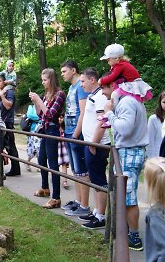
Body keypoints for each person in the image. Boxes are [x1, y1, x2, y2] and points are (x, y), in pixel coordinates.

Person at [101, 72, 149, 251]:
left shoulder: (127, 102)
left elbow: (125, 128)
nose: (103, 93)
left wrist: (110, 113)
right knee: (125, 195)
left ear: (114, 86)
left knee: (129, 198)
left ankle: (134, 237)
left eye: (105, 87)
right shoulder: (131, 100)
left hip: (130, 152)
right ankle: (127, 230)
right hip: (129, 151)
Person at [77, 68, 111, 229]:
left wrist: (94, 143)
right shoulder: (94, 96)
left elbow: (102, 122)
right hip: (91, 143)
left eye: (83, 81)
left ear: (92, 80)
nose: (81, 84)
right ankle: (97, 211)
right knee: (95, 178)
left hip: (97, 145)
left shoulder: (100, 97)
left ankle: (101, 216)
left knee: (99, 180)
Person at [29, 68, 66, 209]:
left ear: (51, 79)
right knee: (41, 159)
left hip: (53, 130)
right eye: (42, 80)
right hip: (45, 130)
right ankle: (45, 188)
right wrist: (36, 102)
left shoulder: (59, 94)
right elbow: (40, 114)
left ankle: (56, 197)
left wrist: (39, 100)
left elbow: (50, 115)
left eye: (45, 80)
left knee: (53, 164)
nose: (43, 82)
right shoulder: (46, 95)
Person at [60, 60, 91, 217]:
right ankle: (79, 202)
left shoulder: (81, 86)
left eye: (64, 71)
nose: (62, 74)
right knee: (76, 170)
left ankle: (85, 205)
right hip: (69, 132)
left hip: (76, 134)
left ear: (73, 70)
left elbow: (83, 112)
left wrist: (76, 135)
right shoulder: (72, 87)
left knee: (82, 171)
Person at [97, 43, 153, 128]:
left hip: (131, 84)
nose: (108, 62)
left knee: (115, 95)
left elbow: (112, 76)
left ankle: (111, 115)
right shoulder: (121, 64)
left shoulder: (120, 65)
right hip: (128, 83)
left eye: (108, 60)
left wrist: (101, 81)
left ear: (116, 58)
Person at [0, 74, 21, 176]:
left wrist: (1, 96)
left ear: (5, 81)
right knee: (0, 145)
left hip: (7, 123)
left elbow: (8, 106)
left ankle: (15, 169)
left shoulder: (8, 92)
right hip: (2, 123)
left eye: (0, 81)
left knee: (10, 146)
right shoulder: (2, 92)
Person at [146, 90, 165, 158]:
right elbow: (150, 141)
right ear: (160, 103)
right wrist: (152, 159)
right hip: (158, 155)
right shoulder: (153, 119)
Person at [25, 104, 42, 172]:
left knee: (39, 148)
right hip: (33, 130)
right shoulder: (31, 107)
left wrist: (38, 118)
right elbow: (29, 115)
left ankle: (39, 165)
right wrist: (39, 118)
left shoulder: (43, 106)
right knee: (32, 149)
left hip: (40, 131)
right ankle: (28, 162)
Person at [58, 115, 70, 189]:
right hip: (57, 148)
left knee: (64, 164)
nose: (60, 119)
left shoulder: (65, 128)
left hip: (64, 148)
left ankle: (64, 181)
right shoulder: (54, 128)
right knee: (55, 164)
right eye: (59, 117)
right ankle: (55, 177)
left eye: (61, 117)